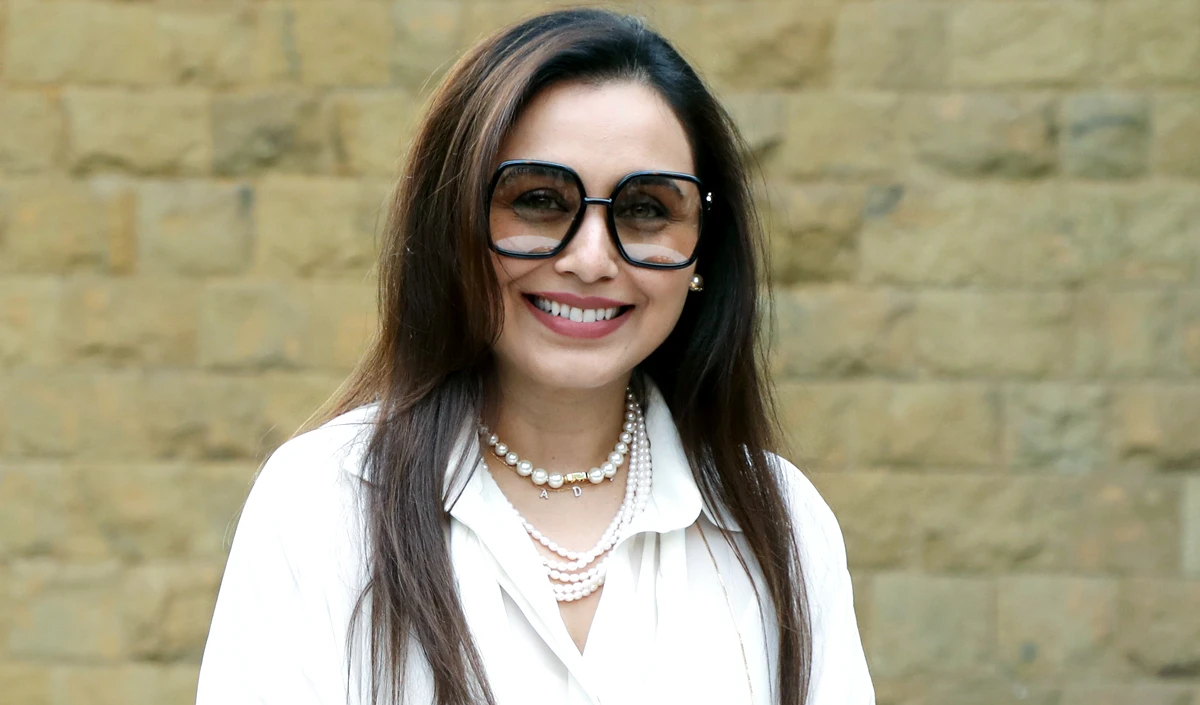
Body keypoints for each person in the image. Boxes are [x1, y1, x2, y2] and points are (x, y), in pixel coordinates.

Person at [196, 8, 873, 705]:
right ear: (456, 222)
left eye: (646, 209)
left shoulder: (784, 525)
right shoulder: (320, 506)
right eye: (541, 200)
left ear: (703, 248)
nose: (590, 259)